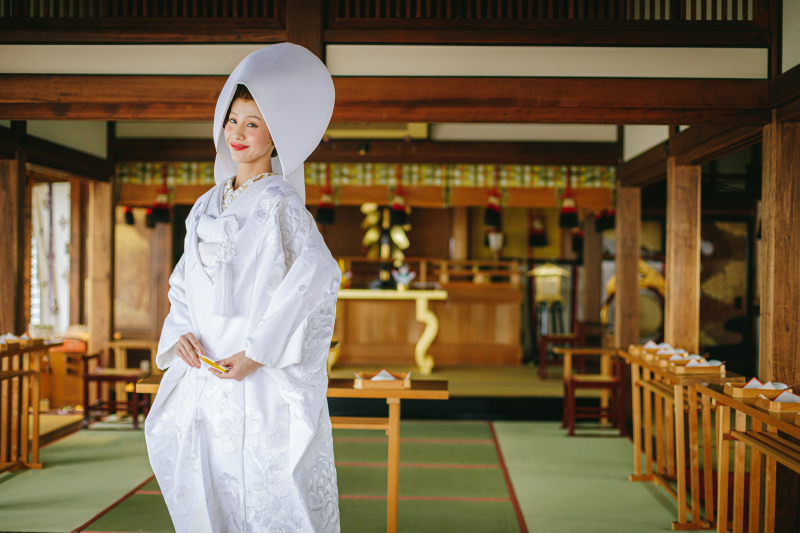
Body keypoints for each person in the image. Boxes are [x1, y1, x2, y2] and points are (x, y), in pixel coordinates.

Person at [144, 43, 341, 533]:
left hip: (258, 374)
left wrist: (259, 351)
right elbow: (183, 284)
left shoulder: (281, 205)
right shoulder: (204, 206)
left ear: (277, 137)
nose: (238, 132)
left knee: (265, 488)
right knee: (209, 485)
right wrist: (182, 333)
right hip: (206, 371)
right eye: (233, 119)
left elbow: (317, 277)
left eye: (253, 123)